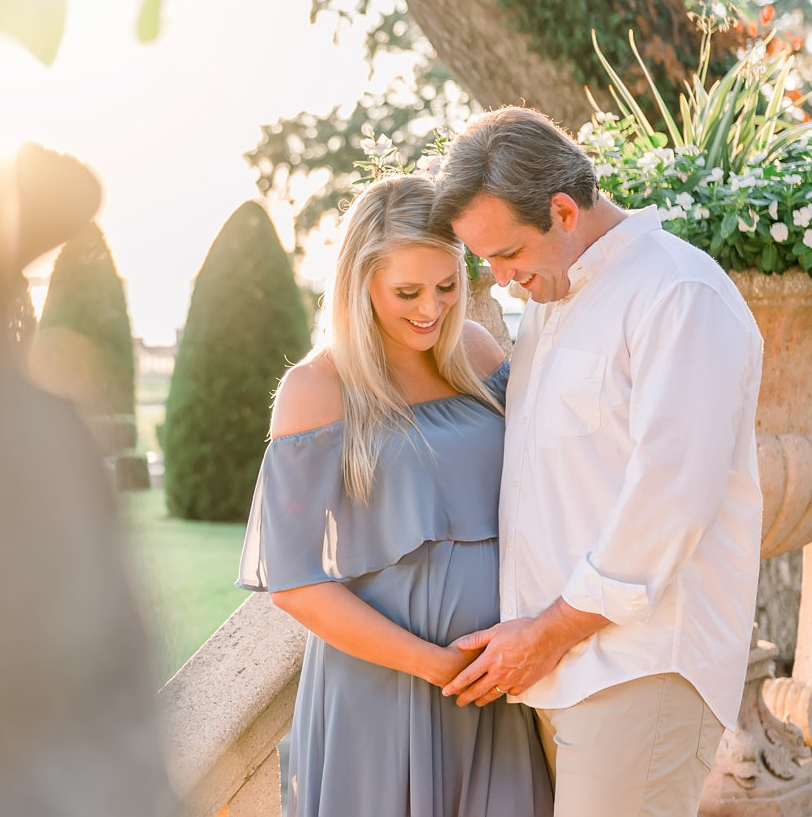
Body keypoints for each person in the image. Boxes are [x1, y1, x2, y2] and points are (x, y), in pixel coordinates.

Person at [432, 106, 763, 817]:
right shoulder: (552, 298)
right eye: (483, 259)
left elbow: (670, 501)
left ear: (562, 209)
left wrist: (545, 634)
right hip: (557, 666)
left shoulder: (678, 292)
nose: (498, 277)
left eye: (508, 253)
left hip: (641, 663)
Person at [237, 174, 553, 817]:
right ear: (361, 284)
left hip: (498, 680)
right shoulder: (315, 390)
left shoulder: (474, 350)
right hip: (381, 689)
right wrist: (434, 664)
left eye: (446, 286)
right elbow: (296, 582)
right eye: (406, 291)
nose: (430, 310)